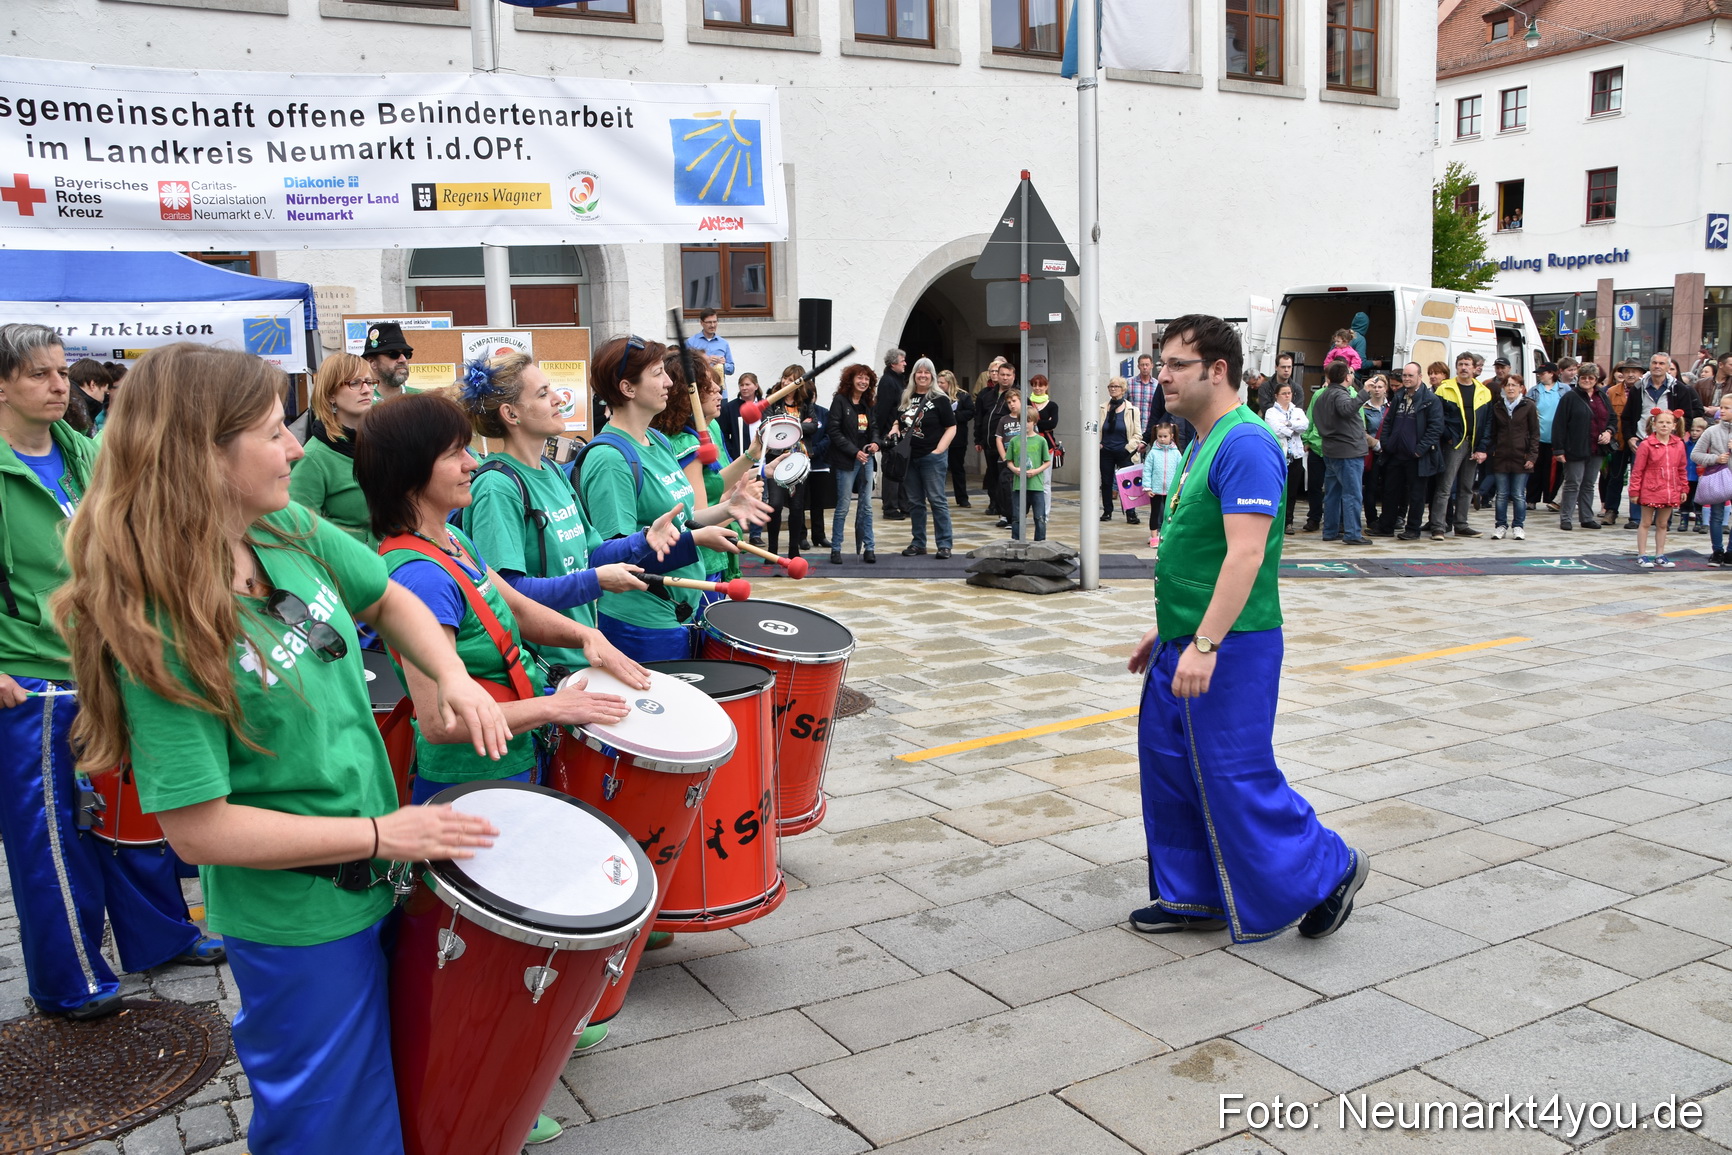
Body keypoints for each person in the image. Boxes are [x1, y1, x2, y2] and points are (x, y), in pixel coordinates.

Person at [57, 342, 513, 1153]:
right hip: (300, 913)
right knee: (330, 1129)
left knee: (401, 1096)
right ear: (200, 450)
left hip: (378, 869)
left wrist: (452, 675)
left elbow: (389, 597)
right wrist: (382, 834)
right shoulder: (157, 616)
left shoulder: (283, 524)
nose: (298, 448)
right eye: (273, 433)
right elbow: (199, 829)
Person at [0, 327, 220, 1026]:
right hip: (33, 682)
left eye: (62, 372)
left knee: (135, 815)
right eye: (40, 374)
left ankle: (158, 936)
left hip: (106, 660)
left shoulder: (83, 452)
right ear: (2, 384)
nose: (59, 385)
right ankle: (71, 981)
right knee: (53, 838)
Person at [1126, 313, 1365, 943]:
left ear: (1218, 370)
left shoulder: (1247, 443)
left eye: (1178, 365)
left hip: (1234, 645)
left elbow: (1245, 554)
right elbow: (1199, 551)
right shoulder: (1203, 439)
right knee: (1171, 766)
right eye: (1164, 364)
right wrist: (1172, 631)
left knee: (1234, 773)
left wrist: (1205, 642)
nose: (1163, 377)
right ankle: (1194, 894)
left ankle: (1330, 867)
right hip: (1191, 637)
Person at [458, 351, 689, 684]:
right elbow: (507, 595)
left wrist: (643, 540)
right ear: (511, 414)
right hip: (542, 671)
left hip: (580, 659)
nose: (557, 398)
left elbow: (591, 554)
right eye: (542, 394)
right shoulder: (497, 486)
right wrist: (595, 582)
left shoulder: (553, 470)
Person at [574, 337, 768, 661]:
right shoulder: (609, 459)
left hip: (677, 614)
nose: (668, 382)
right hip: (637, 624)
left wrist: (727, 508)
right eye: (657, 373)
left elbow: (679, 522)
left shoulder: (657, 441)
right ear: (627, 388)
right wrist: (697, 542)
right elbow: (614, 558)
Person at [289, 353, 379, 546]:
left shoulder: (381, 445)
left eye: (369, 382)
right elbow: (298, 530)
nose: (366, 390)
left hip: (390, 564)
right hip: (343, 569)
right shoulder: (314, 457)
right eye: (355, 383)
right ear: (330, 394)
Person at [1622, 352, 1705, 531]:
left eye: (1661, 363)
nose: (1657, 366)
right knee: (1640, 476)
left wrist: (1677, 438)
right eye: (1654, 363)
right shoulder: (1638, 387)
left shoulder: (1679, 388)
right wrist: (1630, 437)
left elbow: (1687, 417)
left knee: (1667, 477)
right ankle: (1636, 518)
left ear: (1668, 367)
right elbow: (1627, 416)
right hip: (1643, 440)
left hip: (1669, 442)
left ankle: (1663, 519)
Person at [1371, 363, 1445, 540]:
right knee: (1390, 491)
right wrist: (1387, 443)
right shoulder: (1399, 396)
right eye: (1404, 375)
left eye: (1410, 375)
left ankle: (1413, 529)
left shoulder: (1430, 400)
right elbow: (1388, 421)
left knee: (1417, 495)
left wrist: (1420, 450)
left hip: (1417, 457)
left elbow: (1435, 428)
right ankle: (1386, 526)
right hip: (1395, 454)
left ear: (1420, 377)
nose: (1406, 379)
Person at [893, 357, 956, 559]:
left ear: (932, 376)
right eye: (919, 372)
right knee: (915, 502)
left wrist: (939, 450)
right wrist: (894, 429)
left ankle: (944, 544)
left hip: (931, 457)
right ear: (913, 375)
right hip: (909, 458)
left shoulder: (940, 398)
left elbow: (951, 427)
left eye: (926, 372)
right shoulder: (906, 397)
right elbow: (898, 419)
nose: (922, 375)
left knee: (937, 500)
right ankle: (918, 543)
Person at [759, 365, 820, 559]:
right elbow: (770, 426)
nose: (786, 382)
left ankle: (794, 549)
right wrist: (798, 425)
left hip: (799, 458)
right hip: (775, 458)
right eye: (785, 377)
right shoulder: (772, 400)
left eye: (791, 379)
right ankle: (773, 549)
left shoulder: (805, 402)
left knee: (796, 506)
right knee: (775, 504)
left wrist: (790, 426)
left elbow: (814, 426)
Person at [1430, 353, 1489, 539]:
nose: (1464, 368)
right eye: (1460, 364)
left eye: (1467, 365)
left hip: (1473, 443)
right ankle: (1438, 526)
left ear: (1474, 368)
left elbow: (1488, 423)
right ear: (1456, 367)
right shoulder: (1444, 389)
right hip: (1454, 443)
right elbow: (1437, 418)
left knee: (1466, 487)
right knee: (1445, 486)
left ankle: (1461, 524)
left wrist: (1482, 447)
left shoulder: (1484, 391)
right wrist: (1448, 437)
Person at [1474, 373, 1538, 541]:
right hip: (1501, 456)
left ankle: (1518, 526)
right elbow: (1492, 432)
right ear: (1503, 388)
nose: (1510, 388)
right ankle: (1500, 525)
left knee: (1518, 494)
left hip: (1521, 456)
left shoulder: (1528, 406)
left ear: (1521, 388)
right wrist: (1491, 451)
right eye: (1508, 385)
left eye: (1514, 385)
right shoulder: (1497, 407)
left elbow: (1534, 434)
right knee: (1501, 494)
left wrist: (1532, 456)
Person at [826, 363, 880, 564]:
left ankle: (870, 547)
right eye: (860, 377)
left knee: (867, 506)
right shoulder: (840, 401)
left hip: (867, 459)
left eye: (867, 379)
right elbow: (834, 432)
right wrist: (854, 451)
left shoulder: (868, 403)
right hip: (846, 460)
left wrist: (875, 443)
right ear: (851, 379)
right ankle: (836, 548)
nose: (863, 381)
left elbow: (874, 427)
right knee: (843, 506)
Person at [1313, 359, 1370, 545]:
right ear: (1346, 377)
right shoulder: (1340, 395)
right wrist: (1364, 393)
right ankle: (1353, 533)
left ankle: (1330, 530)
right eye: (1351, 373)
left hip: (1330, 450)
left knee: (1332, 493)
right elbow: (1347, 409)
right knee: (1352, 493)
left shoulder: (1321, 396)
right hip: (1348, 452)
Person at [1553, 362, 1611, 532]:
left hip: (1597, 448)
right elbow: (1559, 424)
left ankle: (1586, 518)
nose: (1586, 380)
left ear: (1596, 379)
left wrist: (1609, 431)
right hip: (1575, 447)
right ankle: (1566, 518)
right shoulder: (1570, 397)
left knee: (1589, 484)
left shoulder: (1602, 396)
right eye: (1583, 377)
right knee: (1573, 483)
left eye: (1590, 377)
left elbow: (1612, 418)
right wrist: (1559, 449)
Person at [1630, 408, 1688, 568]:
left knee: (1663, 523)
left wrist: (1683, 488)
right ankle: (1642, 554)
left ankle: (1660, 554)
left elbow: (1682, 468)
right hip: (1650, 488)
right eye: (1661, 422)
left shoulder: (1678, 444)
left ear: (1674, 425)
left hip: (1670, 489)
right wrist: (1634, 490)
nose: (1664, 425)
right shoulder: (1646, 444)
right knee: (1646, 522)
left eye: (1668, 422)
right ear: (1654, 424)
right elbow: (1637, 469)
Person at [999, 391, 1050, 541]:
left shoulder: (1041, 441)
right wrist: (1014, 469)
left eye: (1028, 421)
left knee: (1039, 517)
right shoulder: (1015, 441)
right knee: (1017, 516)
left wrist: (1036, 471)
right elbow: (1009, 460)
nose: (1025, 424)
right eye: (1023, 421)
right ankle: (1017, 540)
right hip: (1018, 485)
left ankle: (1040, 542)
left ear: (1034, 422)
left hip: (1036, 484)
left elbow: (1046, 461)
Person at [1262, 382, 1308, 534]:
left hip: (1295, 455)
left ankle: (1289, 521)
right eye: (1284, 393)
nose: (1287, 396)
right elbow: (1276, 430)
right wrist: (1294, 429)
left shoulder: (1298, 410)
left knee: (1292, 491)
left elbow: (1305, 425)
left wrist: (1289, 423)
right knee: (1278, 489)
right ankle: (1275, 521)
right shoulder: (1271, 412)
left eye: (1289, 393)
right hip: (1279, 456)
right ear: (1276, 395)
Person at [1099, 376, 1145, 525]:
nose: (1113, 389)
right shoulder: (1102, 408)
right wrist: (1098, 444)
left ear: (1123, 389)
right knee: (1106, 482)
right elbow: (1096, 429)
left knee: (1128, 482)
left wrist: (1127, 448)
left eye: (1116, 386)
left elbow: (1138, 434)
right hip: (1106, 450)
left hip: (1124, 451)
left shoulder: (1132, 410)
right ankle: (1107, 510)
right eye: (1110, 386)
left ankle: (1131, 513)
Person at [1691, 404, 1732, 564]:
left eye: (1727, 408)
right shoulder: (1711, 431)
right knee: (1716, 515)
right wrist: (1714, 459)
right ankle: (1717, 551)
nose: (1722, 410)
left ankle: (1730, 553)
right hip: (1719, 479)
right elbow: (1695, 455)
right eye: (1721, 407)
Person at [977, 359, 1014, 523]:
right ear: (996, 376)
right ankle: (994, 503)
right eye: (1002, 374)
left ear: (1013, 377)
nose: (1005, 378)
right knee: (992, 475)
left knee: (1005, 477)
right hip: (989, 442)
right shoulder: (986, 394)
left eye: (1008, 375)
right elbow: (979, 418)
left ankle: (1006, 510)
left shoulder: (1016, 395)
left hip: (1008, 445)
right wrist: (978, 438)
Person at [1526, 360, 1567, 509]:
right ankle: (1531, 499)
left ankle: (1551, 499)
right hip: (1537, 437)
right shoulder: (1534, 390)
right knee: (1534, 469)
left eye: (1542, 373)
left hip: (1556, 438)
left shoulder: (1564, 389)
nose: (1540, 376)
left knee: (1553, 472)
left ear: (1552, 374)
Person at [876, 348, 910, 520]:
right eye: (902, 360)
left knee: (900, 470)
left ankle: (903, 505)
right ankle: (890, 508)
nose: (905, 363)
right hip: (890, 434)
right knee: (891, 471)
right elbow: (882, 410)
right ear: (893, 363)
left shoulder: (896, 380)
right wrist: (881, 434)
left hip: (899, 433)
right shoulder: (888, 382)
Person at [1141, 423, 1182, 541]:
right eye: (1160, 436)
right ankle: (1154, 536)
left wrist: (1179, 488)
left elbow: (1180, 471)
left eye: (1165, 436)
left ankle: (1166, 535)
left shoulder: (1176, 453)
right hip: (1155, 489)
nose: (1162, 439)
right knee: (1155, 513)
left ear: (1171, 436)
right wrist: (1147, 487)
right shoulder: (1152, 453)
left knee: (1169, 514)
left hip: (1171, 490)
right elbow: (1147, 470)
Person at [1359, 374, 1389, 528]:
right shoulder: (1363, 408)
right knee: (1370, 487)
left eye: (1380, 387)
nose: (1377, 390)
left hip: (1389, 452)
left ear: (1386, 389)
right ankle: (1371, 519)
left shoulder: (1391, 407)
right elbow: (1360, 430)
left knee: (1389, 487)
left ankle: (1388, 518)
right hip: (1371, 452)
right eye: (1374, 387)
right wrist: (1375, 444)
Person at [942, 369, 974, 507]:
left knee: (957, 469)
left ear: (949, 382)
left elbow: (971, 412)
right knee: (939, 469)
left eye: (941, 382)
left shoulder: (963, 396)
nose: (939, 384)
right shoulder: (936, 396)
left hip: (957, 438)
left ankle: (962, 498)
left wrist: (955, 416)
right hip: (939, 438)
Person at [719, 372, 761, 461]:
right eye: (741, 385)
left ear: (756, 386)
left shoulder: (764, 405)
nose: (744, 388)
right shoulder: (729, 408)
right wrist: (732, 453)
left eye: (747, 384)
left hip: (763, 459)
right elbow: (723, 434)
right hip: (741, 459)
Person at [685, 308, 734, 380]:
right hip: (701, 387)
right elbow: (685, 368)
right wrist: (705, 362)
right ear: (701, 323)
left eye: (715, 322)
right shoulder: (691, 342)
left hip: (720, 388)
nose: (712, 325)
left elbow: (731, 370)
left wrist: (723, 365)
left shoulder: (723, 343)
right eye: (709, 322)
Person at [67, 358, 112, 436]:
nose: (103, 399)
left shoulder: (68, 402)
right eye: (104, 393)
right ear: (93, 385)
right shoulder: (78, 409)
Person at [1127, 353, 1161, 431]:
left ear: (1152, 366)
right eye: (1142, 365)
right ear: (1138, 366)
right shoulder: (1129, 383)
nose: (1145, 367)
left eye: (1147, 365)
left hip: (1151, 429)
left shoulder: (1157, 385)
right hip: (1133, 428)